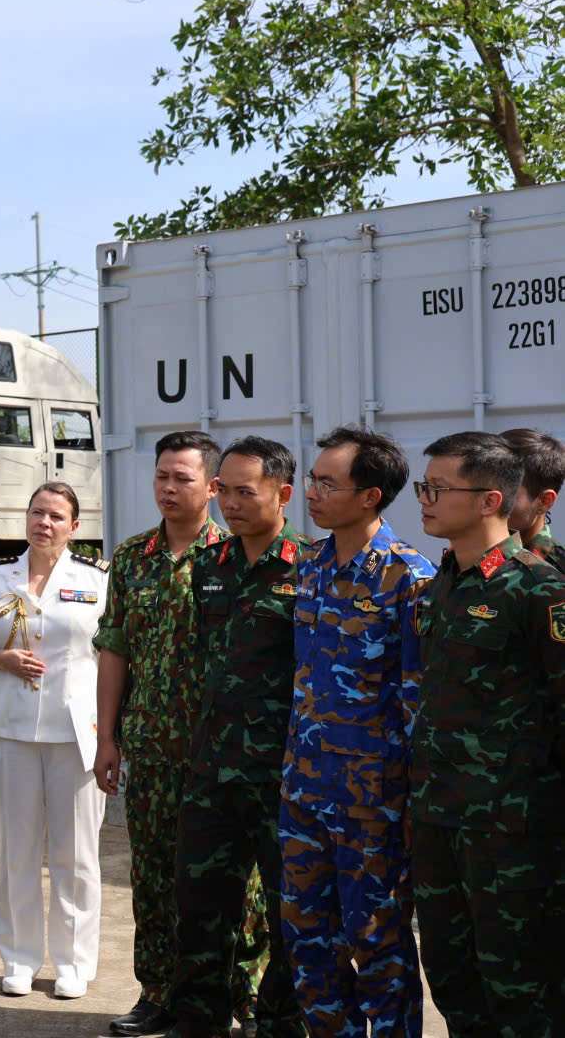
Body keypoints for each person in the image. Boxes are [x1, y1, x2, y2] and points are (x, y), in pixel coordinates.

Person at [93, 431, 269, 1038]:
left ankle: (240, 995)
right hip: (151, 746)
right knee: (153, 876)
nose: (168, 489)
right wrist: (107, 738)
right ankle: (159, 992)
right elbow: (114, 649)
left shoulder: (235, 556)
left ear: (212, 486)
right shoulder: (133, 557)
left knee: (236, 885)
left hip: (221, 753)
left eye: (182, 479)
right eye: (161, 477)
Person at [280, 426, 434, 1038]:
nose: (311, 493)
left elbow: (418, 700)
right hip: (304, 792)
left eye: (326, 483)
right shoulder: (312, 566)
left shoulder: (409, 577)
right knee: (308, 939)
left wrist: (407, 801)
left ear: (370, 496)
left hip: (373, 799)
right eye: (312, 480)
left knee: (380, 944)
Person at [410, 431, 565, 1036]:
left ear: (488, 501)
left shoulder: (540, 589)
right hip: (439, 820)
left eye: (438, 488)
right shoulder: (441, 585)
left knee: (524, 989)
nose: (423, 499)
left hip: (514, 835)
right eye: (425, 486)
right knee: (452, 976)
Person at [166, 436, 310, 1038]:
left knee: (288, 913)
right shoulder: (210, 566)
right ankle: (197, 1019)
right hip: (214, 769)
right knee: (199, 903)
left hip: (284, 773)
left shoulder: (311, 567)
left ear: (283, 493)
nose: (230, 503)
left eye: (246, 492)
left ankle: (278, 1023)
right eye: (224, 490)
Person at [0, 482, 107, 1000]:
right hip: (8, 729)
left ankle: (73, 961)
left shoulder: (96, 581)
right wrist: (2, 660)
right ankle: (19, 959)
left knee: (76, 854)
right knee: (16, 851)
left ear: (74, 527)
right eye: (36, 512)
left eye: (56, 516)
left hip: (74, 732)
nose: (44, 522)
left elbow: (111, 655)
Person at [500, 427, 564, 571]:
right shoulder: (460, 562)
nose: (487, 503)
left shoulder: (556, 573)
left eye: (504, 491)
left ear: (544, 501)